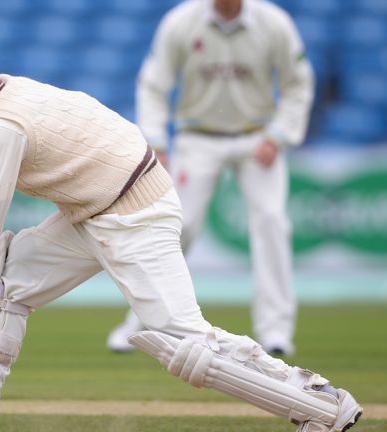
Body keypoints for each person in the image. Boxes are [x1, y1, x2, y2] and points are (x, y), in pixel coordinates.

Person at [0, 26, 360, 432]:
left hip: (133, 213)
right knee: (2, 286)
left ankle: (321, 404)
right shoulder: (8, 92)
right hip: (94, 208)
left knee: (185, 344)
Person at [107, 0, 314, 357]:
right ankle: (142, 320)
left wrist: (279, 135)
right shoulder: (182, 21)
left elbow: (299, 83)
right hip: (198, 138)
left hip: (258, 138)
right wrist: (155, 140)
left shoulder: (273, 22)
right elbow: (153, 84)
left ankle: (276, 330)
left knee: (271, 223)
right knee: (178, 228)